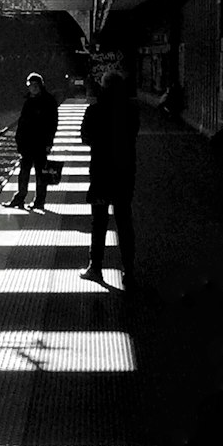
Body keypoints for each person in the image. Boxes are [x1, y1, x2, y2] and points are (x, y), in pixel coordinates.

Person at [79, 71, 140, 287]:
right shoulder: (131, 110)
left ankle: (96, 267)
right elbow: (133, 134)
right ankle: (129, 271)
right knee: (124, 222)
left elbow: (85, 136)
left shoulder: (94, 110)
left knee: (99, 222)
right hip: (124, 174)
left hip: (101, 174)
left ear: (103, 87)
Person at [4, 71, 59, 212]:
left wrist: (48, 143)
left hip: (40, 142)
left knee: (41, 173)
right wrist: (19, 140)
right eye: (31, 85)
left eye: (35, 85)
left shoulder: (48, 101)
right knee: (24, 172)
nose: (33, 87)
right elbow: (22, 122)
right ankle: (21, 197)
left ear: (41, 85)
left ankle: (39, 201)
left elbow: (52, 124)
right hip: (27, 143)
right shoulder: (29, 100)